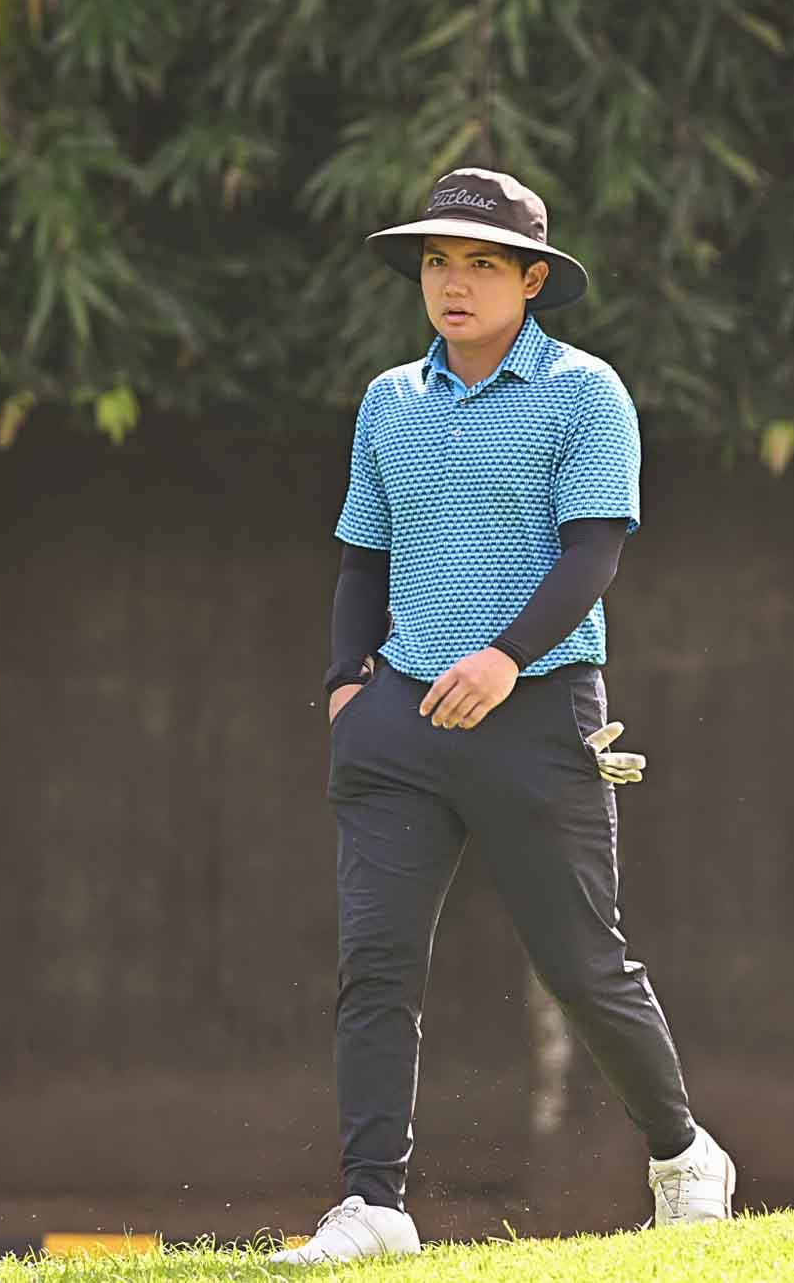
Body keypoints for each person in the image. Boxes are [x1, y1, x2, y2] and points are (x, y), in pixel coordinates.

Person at [269, 169, 734, 1265]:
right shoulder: (390, 401)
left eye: (481, 263)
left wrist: (504, 657)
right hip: (396, 718)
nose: (454, 282)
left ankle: (683, 1155)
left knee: (582, 963)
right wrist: (346, 684)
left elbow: (592, 553)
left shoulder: (585, 393)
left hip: (538, 713)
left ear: (531, 280)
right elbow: (363, 557)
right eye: (437, 262)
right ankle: (372, 1203)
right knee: (377, 965)